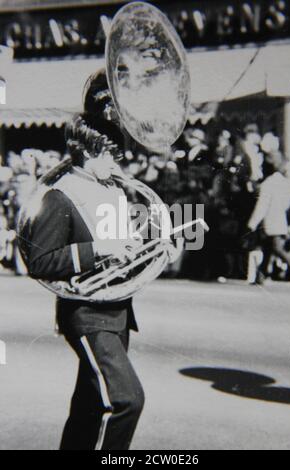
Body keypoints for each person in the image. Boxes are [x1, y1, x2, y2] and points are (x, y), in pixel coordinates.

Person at [19, 69, 181, 450]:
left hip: (117, 310)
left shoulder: (112, 191)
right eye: (112, 153)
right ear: (89, 153)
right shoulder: (59, 197)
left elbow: (128, 248)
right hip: (87, 314)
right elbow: (40, 262)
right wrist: (101, 250)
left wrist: (159, 247)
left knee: (90, 406)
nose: (120, 161)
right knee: (126, 400)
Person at [247, 158, 290, 282]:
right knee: (269, 249)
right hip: (279, 221)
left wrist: (252, 224)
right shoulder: (285, 184)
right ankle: (260, 276)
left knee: (276, 249)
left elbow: (262, 206)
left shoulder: (269, 183)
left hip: (271, 222)